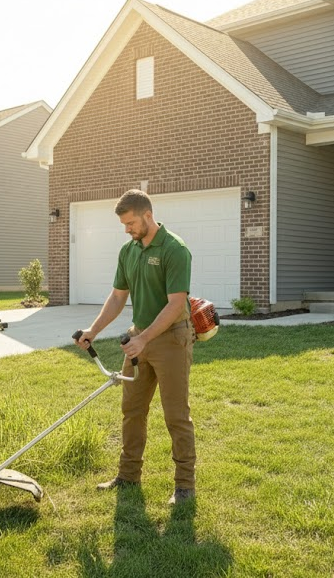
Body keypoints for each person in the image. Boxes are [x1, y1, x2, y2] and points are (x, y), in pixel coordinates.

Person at [75, 189, 197, 506]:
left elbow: (175, 304)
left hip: (171, 338)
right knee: (132, 410)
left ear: (147, 215)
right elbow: (118, 297)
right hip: (138, 338)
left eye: (130, 223)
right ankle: (128, 475)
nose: (127, 229)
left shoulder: (174, 249)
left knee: (176, 415)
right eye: (123, 224)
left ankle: (185, 486)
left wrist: (145, 339)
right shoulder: (128, 251)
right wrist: (93, 330)